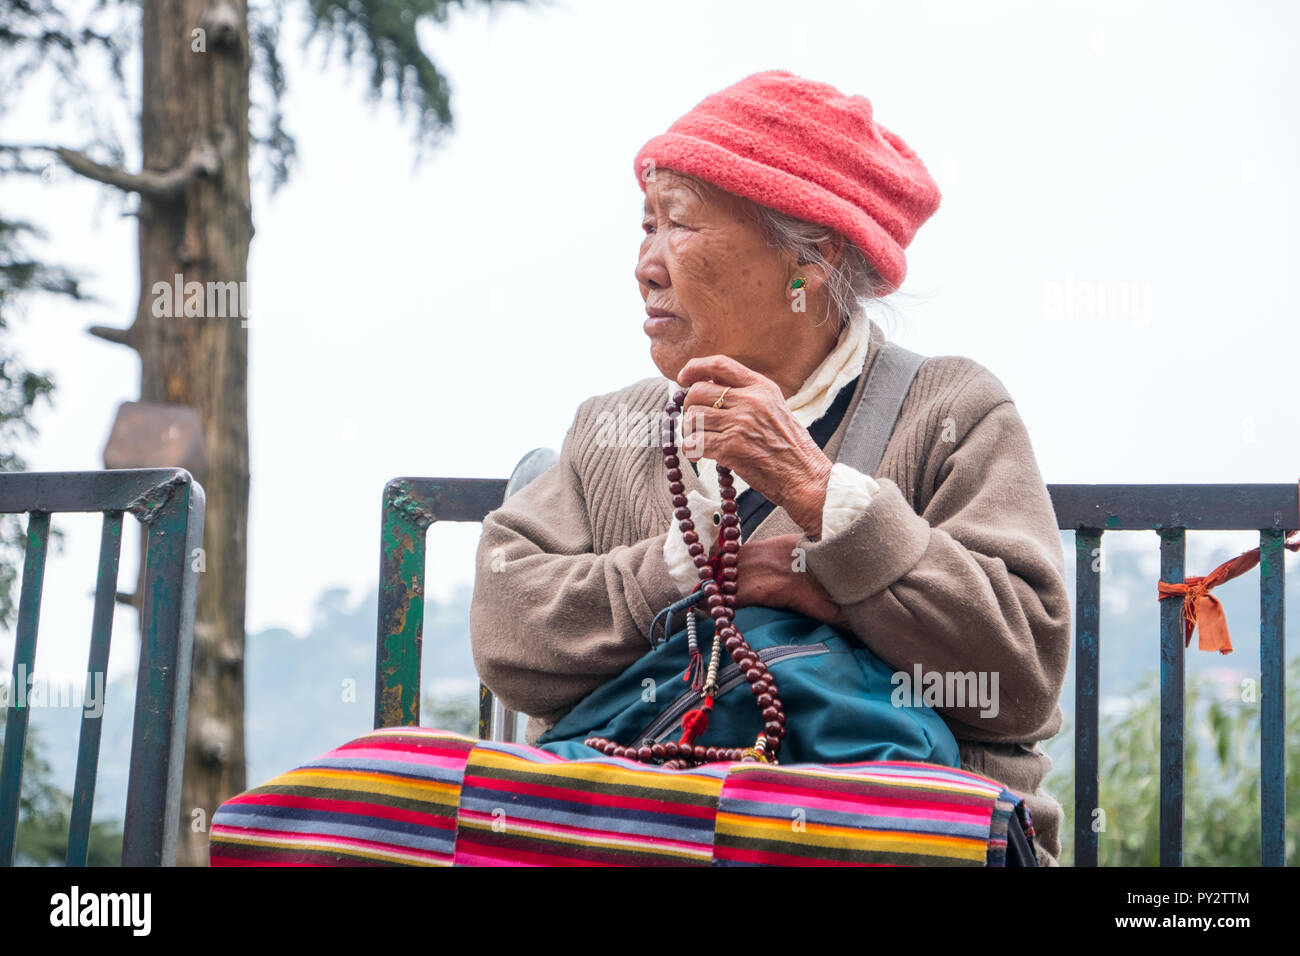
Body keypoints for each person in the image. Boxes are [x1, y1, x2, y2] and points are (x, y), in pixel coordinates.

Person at [469, 70, 1071, 866]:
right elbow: (511, 639)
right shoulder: (613, 428)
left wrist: (824, 501)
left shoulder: (950, 410)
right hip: (646, 832)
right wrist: (682, 570)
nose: (645, 265)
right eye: (644, 226)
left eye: (677, 225)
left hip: (883, 841)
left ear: (811, 260)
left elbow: (1019, 675)